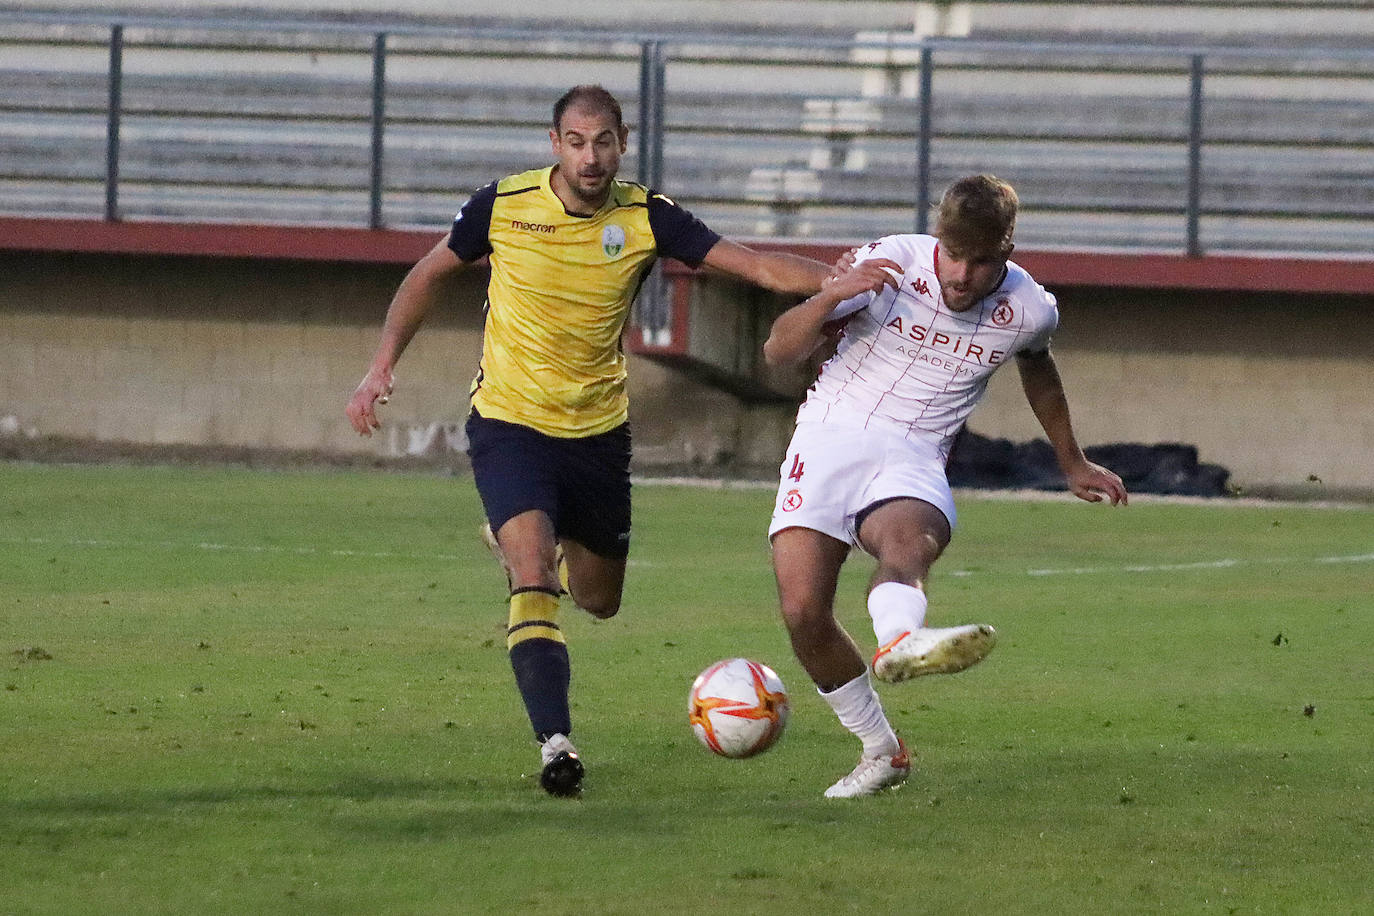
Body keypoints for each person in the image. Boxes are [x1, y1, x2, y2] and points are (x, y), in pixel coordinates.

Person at [345, 85, 832, 797]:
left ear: (622, 141)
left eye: (603, 140)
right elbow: (428, 274)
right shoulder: (503, 206)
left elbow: (757, 267)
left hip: (597, 435)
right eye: (576, 141)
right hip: (509, 423)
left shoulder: (646, 217)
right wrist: (382, 362)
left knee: (599, 600)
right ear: (555, 144)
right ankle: (557, 745)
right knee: (533, 575)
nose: (591, 156)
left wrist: (852, 282)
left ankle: (539, 556)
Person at [762, 174, 1128, 798]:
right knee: (803, 611)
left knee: (906, 544)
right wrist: (831, 296)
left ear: (1006, 250)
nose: (960, 274)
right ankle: (882, 753)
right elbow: (778, 351)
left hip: (913, 453)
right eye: (952, 255)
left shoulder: (1030, 309)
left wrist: (1072, 462)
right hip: (826, 438)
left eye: (980, 261)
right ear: (937, 237)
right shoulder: (893, 263)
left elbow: (1039, 372)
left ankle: (901, 639)